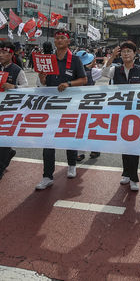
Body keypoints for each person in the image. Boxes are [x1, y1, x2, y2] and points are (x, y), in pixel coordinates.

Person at [35, 30, 87, 190]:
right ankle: (47, 175)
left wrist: (69, 84)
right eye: (56, 38)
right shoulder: (48, 60)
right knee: (48, 140)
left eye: (62, 38)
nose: (59, 40)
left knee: (69, 136)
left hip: (70, 106)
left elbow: (84, 80)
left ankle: (72, 164)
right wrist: (42, 77)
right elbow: (43, 83)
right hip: (51, 106)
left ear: (68, 41)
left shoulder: (76, 60)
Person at [102, 41, 140, 191]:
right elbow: (104, 72)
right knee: (124, 143)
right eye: (123, 52)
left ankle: (134, 178)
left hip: (136, 113)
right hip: (120, 112)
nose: (126, 54)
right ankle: (126, 173)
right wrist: (111, 57)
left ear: (135, 54)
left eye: (129, 51)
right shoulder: (115, 69)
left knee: (134, 145)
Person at [0, 42, 28, 180]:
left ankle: (0, 167)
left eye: (3, 52)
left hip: (11, 109)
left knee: (3, 139)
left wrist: (13, 87)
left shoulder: (17, 70)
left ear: (11, 54)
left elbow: (26, 88)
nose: (0, 55)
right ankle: (8, 153)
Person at [75, 50, 101, 161]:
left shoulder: (73, 72)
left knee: (80, 127)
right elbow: (105, 70)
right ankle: (94, 149)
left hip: (78, 103)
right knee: (92, 126)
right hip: (91, 103)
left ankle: (80, 152)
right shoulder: (93, 72)